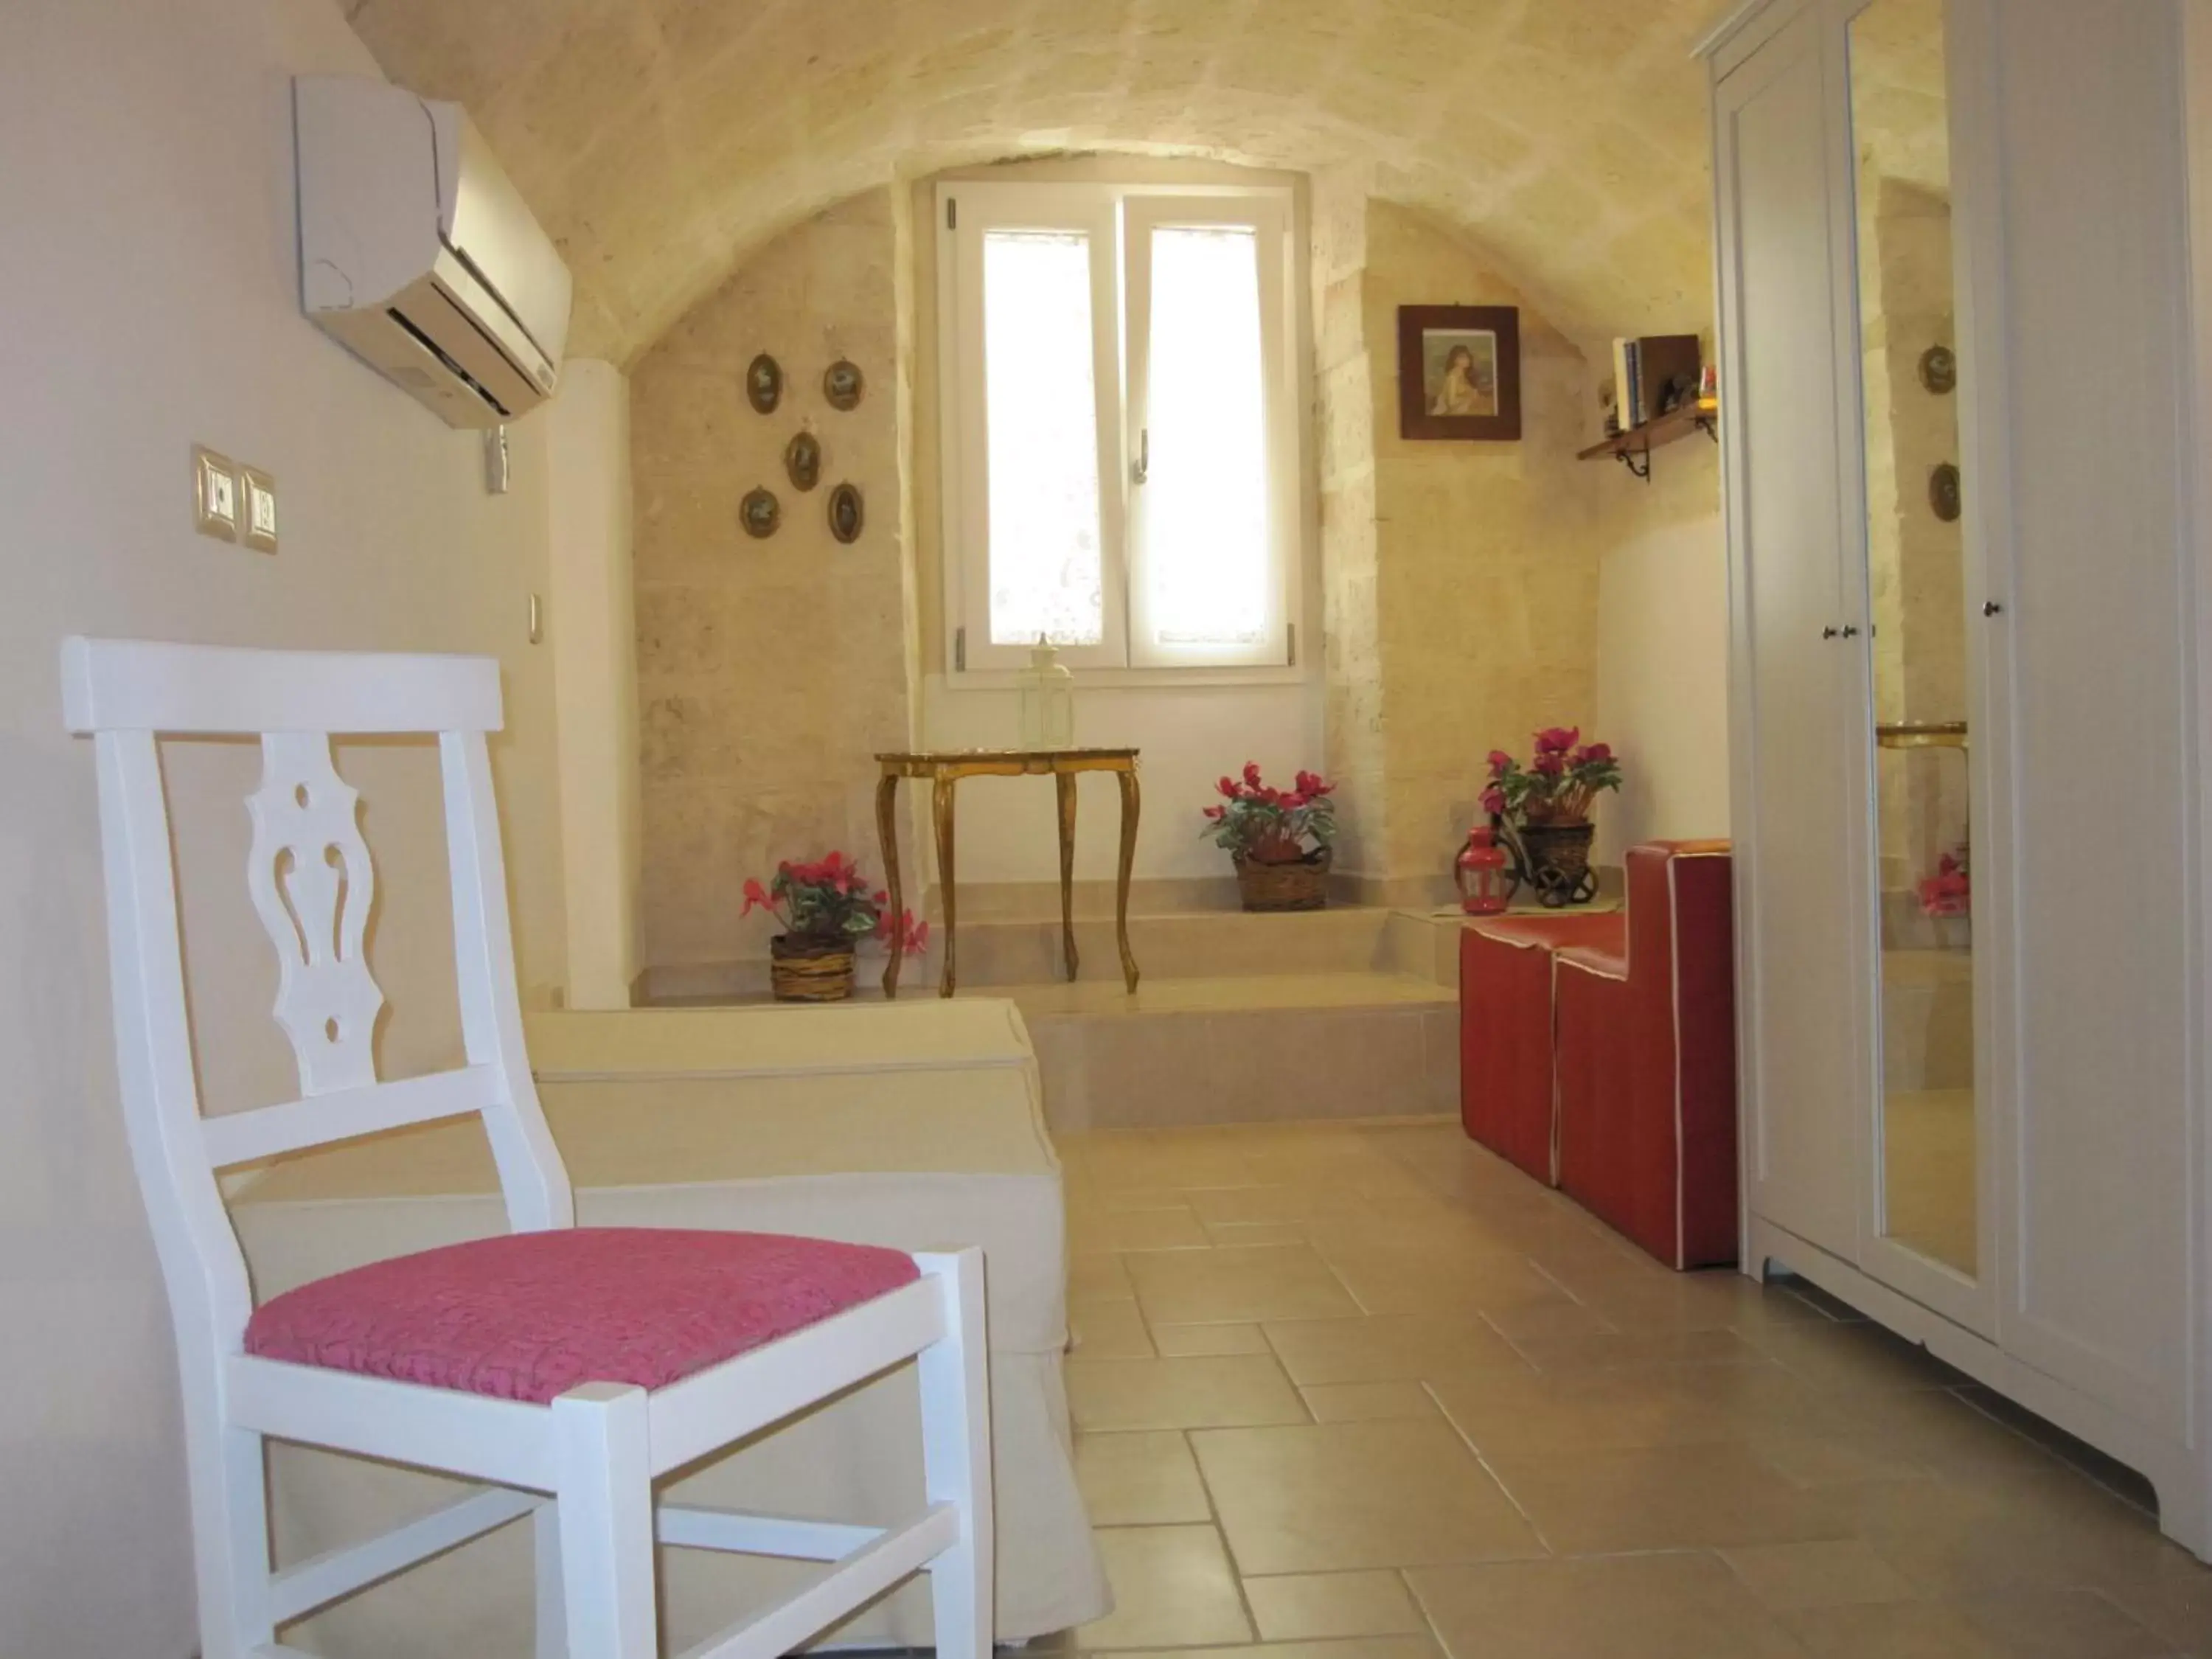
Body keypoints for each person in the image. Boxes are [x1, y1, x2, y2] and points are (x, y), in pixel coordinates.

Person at [1430, 341, 1493, 417]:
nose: (1466, 360)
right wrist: (1468, 400)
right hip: (1447, 412)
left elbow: (1471, 392)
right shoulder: (1453, 377)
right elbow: (1451, 403)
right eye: (1462, 357)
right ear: (1455, 360)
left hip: (1462, 408)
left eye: (1467, 357)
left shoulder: (1464, 374)